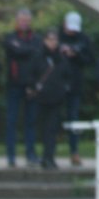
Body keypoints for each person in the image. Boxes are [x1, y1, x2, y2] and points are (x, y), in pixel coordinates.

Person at [4, 8, 41, 168]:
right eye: (21, 20)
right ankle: (11, 156)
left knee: (30, 122)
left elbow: (35, 54)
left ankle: (30, 154)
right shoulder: (10, 38)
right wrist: (28, 49)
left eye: (26, 20)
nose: (24, 23)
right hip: (14, 85)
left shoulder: (36, 38)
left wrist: (23, 49)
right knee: (11, 122)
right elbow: (15, 50)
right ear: (17, 21)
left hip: (31, 86)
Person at [28, 29, 71, 170]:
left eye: (55, 40)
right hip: (41, 98)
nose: (53, 43)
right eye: (50, 40)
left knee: (52, 129)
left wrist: (63, 89)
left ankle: (49, 157)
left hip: (56, 98)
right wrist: (34, 87)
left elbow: (66, 75)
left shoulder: (61, 58)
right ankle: (42, 156)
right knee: (42, 128)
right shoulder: (38, 56)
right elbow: (32, 74)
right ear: (45, 41)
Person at [59, 11, 94, 166]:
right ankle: (48, 154)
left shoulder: (84, 39)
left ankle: (74, 152)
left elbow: (90, 59)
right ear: (64, 24)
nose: (72, 31)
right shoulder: (57, 36)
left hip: (75, 85)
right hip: (58, 84)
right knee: (53, 119)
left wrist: (76, 55)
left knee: (73, 118)